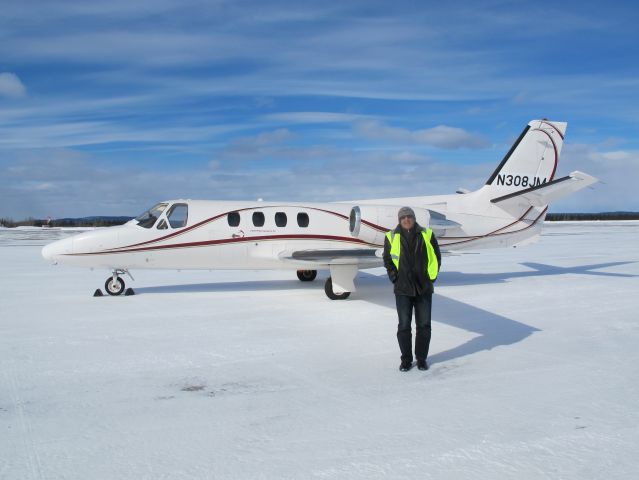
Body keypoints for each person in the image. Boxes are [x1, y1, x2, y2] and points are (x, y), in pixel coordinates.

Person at [383, 207, 441, 372]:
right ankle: (406, 360)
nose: (406, 219)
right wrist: (394, 277)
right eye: (403, 217)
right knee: (404, 326)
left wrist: (431, 278)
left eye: (409, 216)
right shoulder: (391, 236)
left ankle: (421, 359)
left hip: (423, 288)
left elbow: (436, 256)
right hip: (402, 289)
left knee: (424, 326)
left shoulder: (427, 234)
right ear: (399, 220)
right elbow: (387, 259)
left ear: (414, 218)